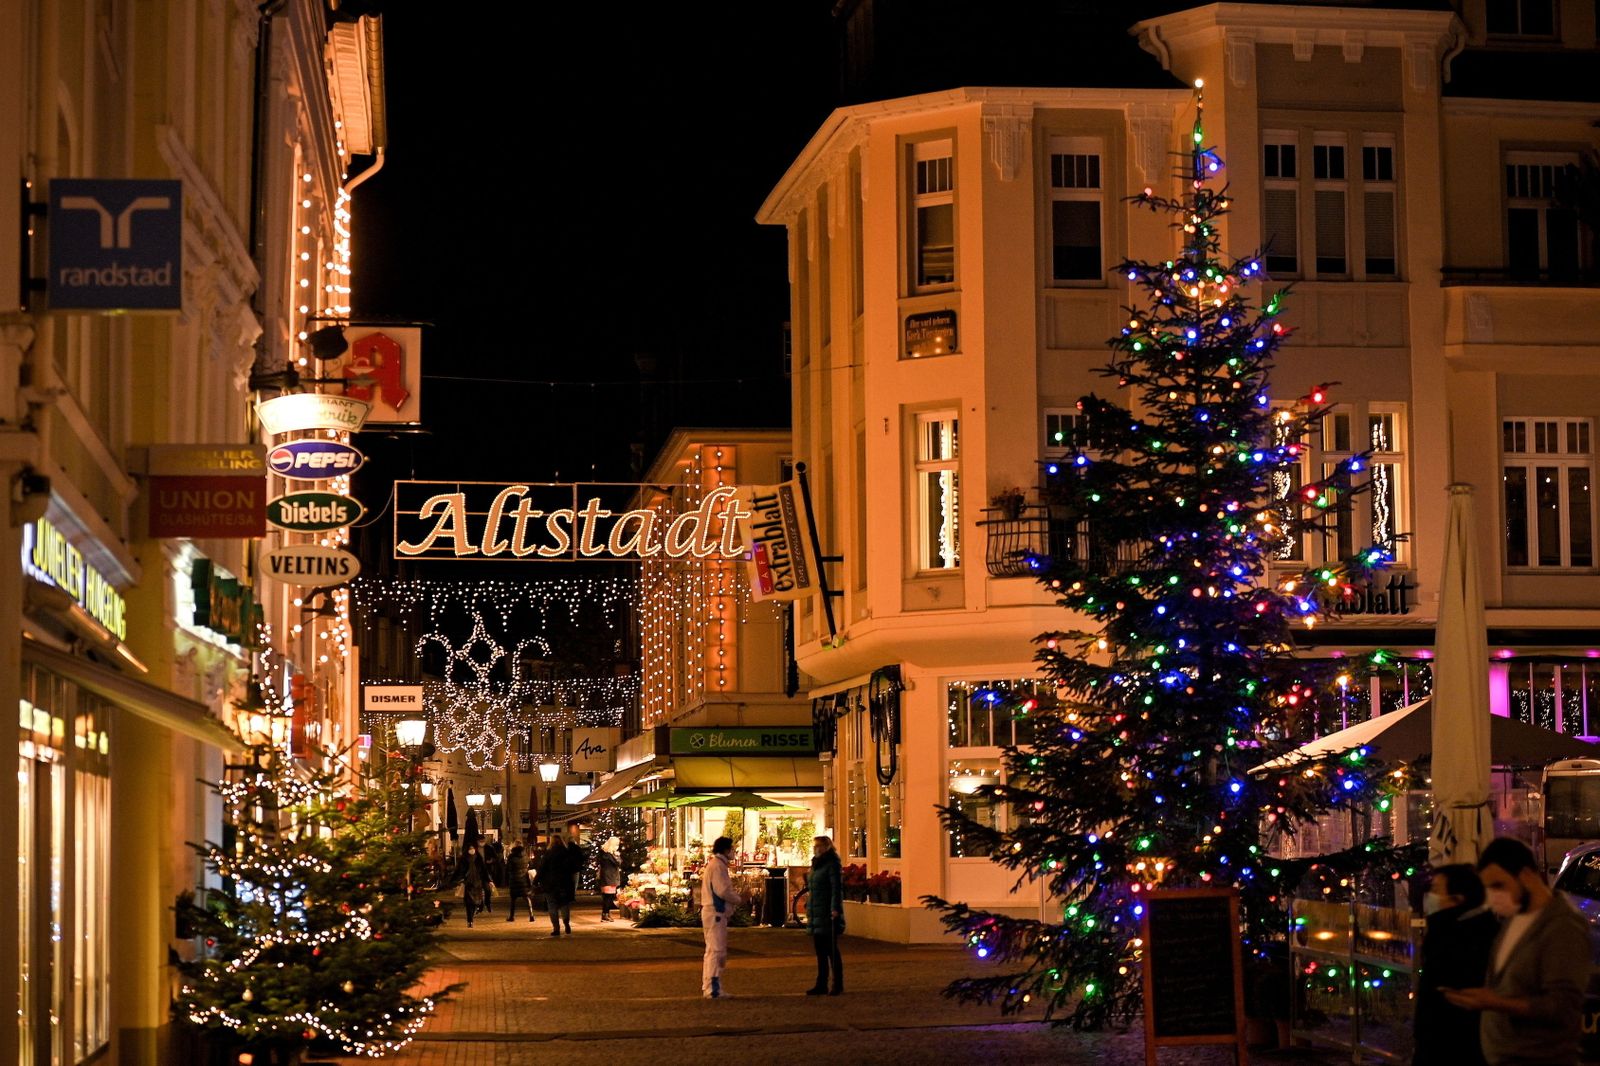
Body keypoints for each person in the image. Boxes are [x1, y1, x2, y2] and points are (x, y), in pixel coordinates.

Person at [1441, 837, 1590, 1065]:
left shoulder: (1563, 926)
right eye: (1488, 888)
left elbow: (1563, 1007)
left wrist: (1494, 1002)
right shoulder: (1516, 916)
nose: (1494, 896)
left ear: (1527, 876)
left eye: (1499, 885)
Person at [1414, 863, 1497, 1065]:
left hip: (1454, 1049)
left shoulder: (1465, 938)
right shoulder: (1447, 929)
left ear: (1457, 899)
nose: (1430, 897)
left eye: (1436, 890)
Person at [700, 836, 742, 999]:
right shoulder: (718, 866)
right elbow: (722, 891)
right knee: (717, 951)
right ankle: (713, 988)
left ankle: (710, 986)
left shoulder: (715, 865)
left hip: (714, 913)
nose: (734, 852)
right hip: (716, 913)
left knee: (713, 951)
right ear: (726, 849)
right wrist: (739, 899)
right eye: (732, 849)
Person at [804, 835, 845, 996]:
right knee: (820, 951)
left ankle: (837, 984)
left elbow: (836, 888)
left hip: (827, 913)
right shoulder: (816, 864)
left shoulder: (832, 864)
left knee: (831, 950)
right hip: (817, 912)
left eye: (820, 846)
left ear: (827, 847)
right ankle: (821, 984)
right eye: (815, 846)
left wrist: (835, 908)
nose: (817, 849)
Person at [536, 835, 576, 936]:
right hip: (564, 883)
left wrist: (535, 881)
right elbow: (572, 869)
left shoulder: (548, 854)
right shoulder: (567, 854)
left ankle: (556, 928)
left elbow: (541, 869)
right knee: (564, 904)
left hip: (550, 884)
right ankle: (566, 923)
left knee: (552, 905)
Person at [458, 844, 490, 928]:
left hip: (478, 884)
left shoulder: (479, 859)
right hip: (468, 884)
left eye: (473, 848)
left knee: (477, 902)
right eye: (470, 848)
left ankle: (478, 909)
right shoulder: (464, 859)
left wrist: (489, 880)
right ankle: (470, 920)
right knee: (469, 903)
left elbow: (484, 870)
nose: (472, 850)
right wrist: (461, 878)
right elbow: (460, 870)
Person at [505, 844, 535, 922]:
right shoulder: (526, 856)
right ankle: (531, 915)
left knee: (513, 900)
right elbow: (531, 864)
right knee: (527, 897)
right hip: (524, 880)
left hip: (514, 880)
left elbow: (508, 868)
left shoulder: (511, 857)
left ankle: (512, 916)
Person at [598, 836, 623, 922]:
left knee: (606, 897)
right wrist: (617, 856)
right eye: (617, 844)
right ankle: (605, 914)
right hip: (609, 878)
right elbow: (618, 863)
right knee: (608, 897)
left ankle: (606, 914)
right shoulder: (609, 855)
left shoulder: (604, 854)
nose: (618, 846)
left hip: (606, 878)